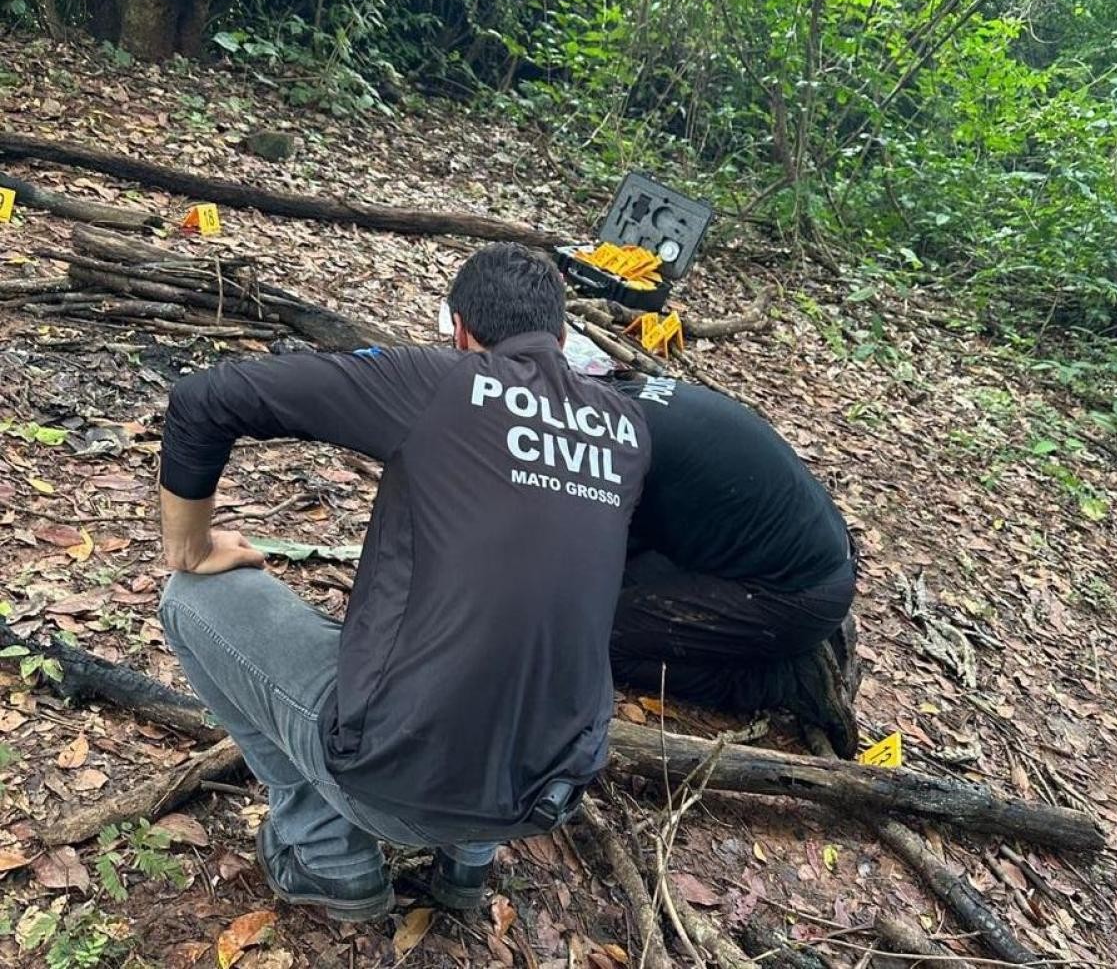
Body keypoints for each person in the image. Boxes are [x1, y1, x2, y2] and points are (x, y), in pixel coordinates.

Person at [156, 244, 649, 921]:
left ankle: (327, 854)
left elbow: (204, 398)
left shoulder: (444, 380)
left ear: (461, 333)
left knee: (191, 597)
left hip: (395, 784)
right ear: (562, 339)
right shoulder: (627, 429)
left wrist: (189, 545)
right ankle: (468, 862)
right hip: (547, 794)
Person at [607, 374, 860, 757]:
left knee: (601, 636)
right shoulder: (624, 397)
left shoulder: (617, 445)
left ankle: (780, 680)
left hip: (794, 595)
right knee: (610, 587)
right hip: (802, 552)